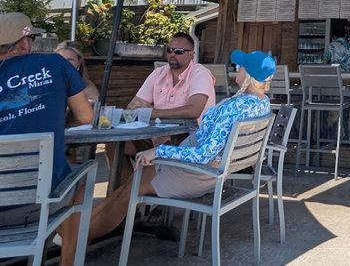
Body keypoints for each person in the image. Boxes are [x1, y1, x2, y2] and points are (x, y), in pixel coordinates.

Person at [73, 49, 274, 249]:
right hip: (209, 170)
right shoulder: (262, 104)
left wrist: (159, 152)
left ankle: (77, 239)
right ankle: (83, 231)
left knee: (129, 191)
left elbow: (203, 154)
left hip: (198, 172)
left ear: (248, 76)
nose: (235, 71)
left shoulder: (235, 107)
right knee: (131, 185)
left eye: (239, 68)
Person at [0, 13, 93, 266]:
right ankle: (67, 262)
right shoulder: (56, 64)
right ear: (24, 43)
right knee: (83, 179)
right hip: (39, 203)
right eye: (31, 37)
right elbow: (85, 116)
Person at [128, 32, 216, 121]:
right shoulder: (158, 73)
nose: (172, 54)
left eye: (178, 51)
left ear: (191, 54)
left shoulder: (200, 73)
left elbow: (193, 111)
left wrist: (152, 112)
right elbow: (133, 106)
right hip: (158, 131)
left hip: (192, 133)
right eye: (169, 50)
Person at [56, 41, 99, 125]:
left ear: (79, 62)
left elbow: (94, 115)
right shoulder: (45, 84)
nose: (65, 64)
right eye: (60, 59)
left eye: (70, 60)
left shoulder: (86, 86)